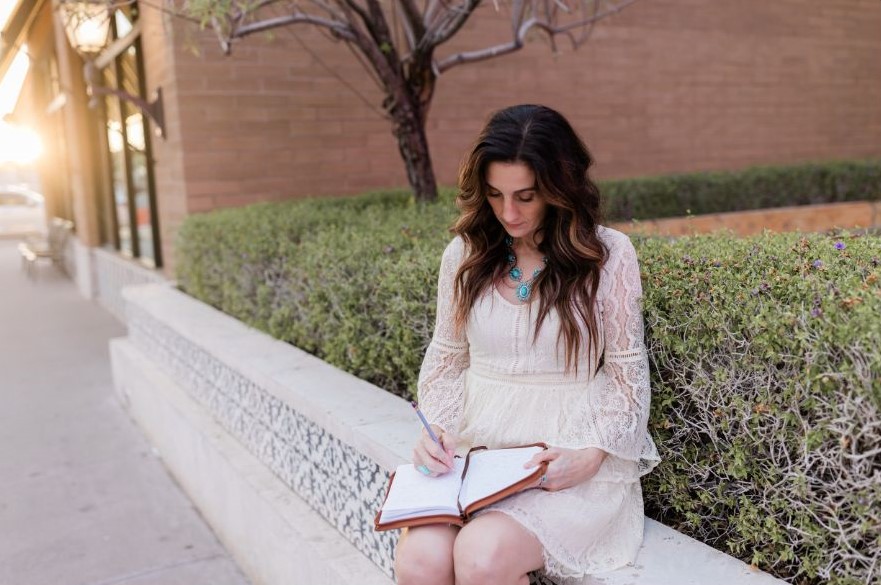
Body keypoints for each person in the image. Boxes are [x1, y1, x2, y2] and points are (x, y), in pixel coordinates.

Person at [393, 104, 660, 585]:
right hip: (474, 455)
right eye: (494, 195)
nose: (508, 213)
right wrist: (437, 434)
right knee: (419, 561)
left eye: (526, 196)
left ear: (561, 189)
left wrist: (591, 453)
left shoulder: (608, 255)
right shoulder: (464, 255)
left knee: (482, 556)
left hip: (563, 458)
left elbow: (626, 375)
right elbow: (447, 360)